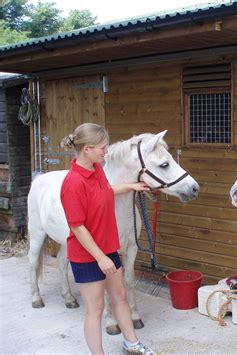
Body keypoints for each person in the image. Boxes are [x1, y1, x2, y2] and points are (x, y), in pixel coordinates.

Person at [60, 123, 155, 355]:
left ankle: (131, 343)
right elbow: (77, 226)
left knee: (120, 297)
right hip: (87, 255)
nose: (106, 151)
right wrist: (100, 257)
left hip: (108, 249)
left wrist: (131, 186)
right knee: (96, 309)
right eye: (102, 148)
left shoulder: (97, 170)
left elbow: (105, 191)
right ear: (87, 149)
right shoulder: (73, 183)